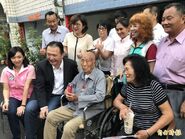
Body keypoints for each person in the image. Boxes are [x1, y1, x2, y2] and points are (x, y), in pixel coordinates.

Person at [44, 51, 106, 139]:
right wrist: (67, 91)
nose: (84, 64)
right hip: (73, 107)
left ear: (94, 62)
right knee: (50, 116)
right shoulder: (80, 75)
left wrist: (78, 98)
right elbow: (71, 85)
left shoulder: (99, 75)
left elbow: (100, 96)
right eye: (82, 60)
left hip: (89, 110)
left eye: (87, 61)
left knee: (68, 128)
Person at [24, 41, 78, 139]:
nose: (51, 58)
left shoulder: (71, 65)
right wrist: (43, 105)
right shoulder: (41, 65)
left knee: (49, 113)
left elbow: (76, 82)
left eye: (54, 55)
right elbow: (39, 87)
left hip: (58, 95)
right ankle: (30, 136)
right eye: (48, 54)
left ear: (62, 54)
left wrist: (70, 91)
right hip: (43, 93)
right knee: (29, 109)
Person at [114, 54, 174, 139]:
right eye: (124, 70)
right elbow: (116, 101)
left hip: (152, 131)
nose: (125, 73)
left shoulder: (153, 86)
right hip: (131, 129)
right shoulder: (128, 86)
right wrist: (122, 107)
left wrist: (148, 132)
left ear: (138, 70)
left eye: (127, 69)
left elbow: (168, 115)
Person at [153, 3, 185, 139]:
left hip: (178, 97)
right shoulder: (162, 42)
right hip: (159, 94)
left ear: (183, 18)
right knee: (161, 133)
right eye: (163, 19)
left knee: (177, 135)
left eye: (169, 18)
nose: (164, 22)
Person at [0, 47, 35, 139]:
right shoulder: (6, 71)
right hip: (14, 96)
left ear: (23, 57)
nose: (16, 60)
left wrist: (23, 105)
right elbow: (6, 89)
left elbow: (27, 87)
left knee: (25, 113)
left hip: (27, 95)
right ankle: (16, 136)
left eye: (19, 57)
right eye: (13, 58)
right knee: (10, 112)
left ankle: (29, 135)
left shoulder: (30, 68)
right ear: (10, 59)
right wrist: (6, 101)